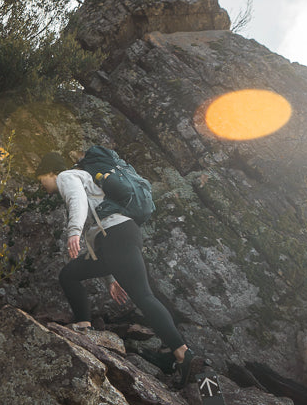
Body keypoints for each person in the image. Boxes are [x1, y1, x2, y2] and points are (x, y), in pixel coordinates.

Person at [35, 150, 203, 384]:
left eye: (40, 179)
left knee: (144, 296)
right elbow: (99, 229)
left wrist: (73, 232)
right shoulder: (89, 179)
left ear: (49, 172)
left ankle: (182, 353)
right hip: (120, 235)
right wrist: (111, 279)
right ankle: (84, 324)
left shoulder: (66, 176)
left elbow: (78, 202)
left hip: (116, 237)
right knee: (70, 274)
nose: (41, 185)